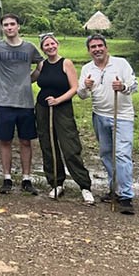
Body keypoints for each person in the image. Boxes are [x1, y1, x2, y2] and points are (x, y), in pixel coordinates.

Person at [77, 34, 138, 215]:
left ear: (106, 47)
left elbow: (134, 85)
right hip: (99, 116)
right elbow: (81, 95)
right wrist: (85, 86)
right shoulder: (87, 68)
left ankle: (126, 196)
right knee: (106, 154)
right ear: (89, 51)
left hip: (122, 115)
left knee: (121, 154)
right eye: (93, 47)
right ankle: (115, 189)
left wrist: (123, 87)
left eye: (100, 46)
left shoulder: (121, 64)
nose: (97, 49)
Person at [0, 13, 43, 195]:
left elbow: (41, 64)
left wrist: (30, 79)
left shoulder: (29, 48)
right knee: (5, 141)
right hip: (3, 101)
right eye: (6, 25)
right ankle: (7, 177)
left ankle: (27, 178)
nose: (9, 27)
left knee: (26, 141)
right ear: (2, 28)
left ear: (18, 26)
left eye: (12, 24)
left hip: (25, 101)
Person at [35, 33, 94, 204]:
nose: (50, 47)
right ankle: (56, 182)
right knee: (48, 145)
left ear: (57, 44)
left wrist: (58, 100)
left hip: (62, 108)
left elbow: (74, 87)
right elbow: (32, 78)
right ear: (42, 48)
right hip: (43, 108)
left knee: (69, 146)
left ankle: (84, 186)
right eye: (46, 45)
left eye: (52, 43)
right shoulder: (42, 65)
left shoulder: (66, 63)